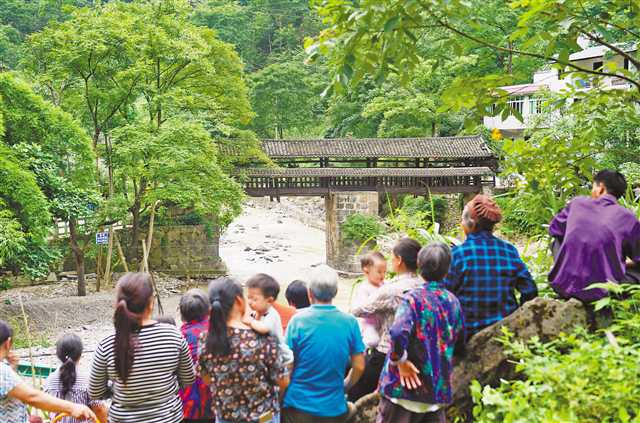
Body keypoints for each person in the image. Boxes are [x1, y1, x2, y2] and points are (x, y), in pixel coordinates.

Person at [377, 243, 465, 423]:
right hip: (435, 393)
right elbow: (459, 343)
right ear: (447, 271)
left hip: (402, 390)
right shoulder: (453, 302)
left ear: (419, 265)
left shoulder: (413, 299)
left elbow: (397, 332)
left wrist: (400, 361)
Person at [90, 273, 195, 422]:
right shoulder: (173, 336)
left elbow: (95, 392)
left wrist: (119, 391)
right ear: (151, 302)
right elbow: (188, 379)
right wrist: (165, 386)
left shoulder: (107, 345)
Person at [445, 195, 537, 339]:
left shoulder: (457, 255)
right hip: (505, 335)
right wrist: (518, 320)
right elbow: (530, 290)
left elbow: (444, 296)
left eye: (463, 219)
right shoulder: (509, 251)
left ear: (471, 224)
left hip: (468, 337)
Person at [198, 277, 289, 423]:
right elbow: (282, 381)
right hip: (262, 418)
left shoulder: (206, 339)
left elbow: (207, 379)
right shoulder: (263, 338)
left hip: (225, 418)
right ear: (240, 302)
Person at [282, 265, 366, 423]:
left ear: (309, 293)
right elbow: (359, 366)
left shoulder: (297, 321)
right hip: (335, 409)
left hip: (298, 406)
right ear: (335, 292)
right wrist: (344, 386)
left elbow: (288, 365)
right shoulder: (350, 322)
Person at [349, 238, 423, 402]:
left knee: (356, 390)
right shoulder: (424, 284)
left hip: (388, 353)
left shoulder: (391, 289)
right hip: (419, 354)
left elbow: (358, 310)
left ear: (399, 260)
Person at [549, 170, 640, 302]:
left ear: (601, 188)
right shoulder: (627, 217)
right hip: (602, 291)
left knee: (556, 239)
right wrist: (622, 263)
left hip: (562, 286)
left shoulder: (577, 203)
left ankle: (565, 274)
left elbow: (554, 229)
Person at [0, 320, 97, 423]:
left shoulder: (50, 378)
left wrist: (12, 369)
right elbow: (31, 397)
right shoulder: (3, 371)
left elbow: (12, 391)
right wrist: (72, 408)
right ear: (8, 343)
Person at [44, 334, 107, 423]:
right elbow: (99, 409)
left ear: (58, 355)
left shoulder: (49, 381)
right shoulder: (87, 380)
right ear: (80, 354)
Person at [178, 289, 214, 423]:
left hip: (188, 403)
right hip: (214, 399)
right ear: (208, 310)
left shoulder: (179, 336)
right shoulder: (218, 331)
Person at [245, 274, 294, 365]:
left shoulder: (271, 315)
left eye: (254, 299)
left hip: (281, 357)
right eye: (248, 297)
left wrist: (250, 321)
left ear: (270, 300)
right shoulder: (255, 312)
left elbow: (264, 329)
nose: (250, 302)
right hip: (267, 353)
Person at [351, 252, 387, 349]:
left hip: (383, 321)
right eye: (379, 272)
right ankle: (363, 353)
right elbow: (359, 308)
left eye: (384, 272)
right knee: (373, 340)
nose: (382, 275)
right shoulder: (364, 288)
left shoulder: (385, 285)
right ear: (366, 271)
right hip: (369, 323)